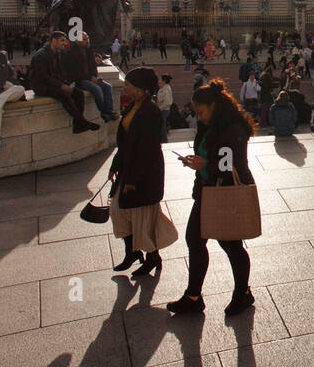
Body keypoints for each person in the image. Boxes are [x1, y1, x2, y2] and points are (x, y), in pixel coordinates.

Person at [167, 80, 257, 317]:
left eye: (201, 112)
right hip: (207, 190)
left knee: (231, 245)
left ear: (214, 106)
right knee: (194, 240)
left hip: (226, 193)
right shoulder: (211, 126)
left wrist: (205, 164)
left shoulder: (233, 129)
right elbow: (208, 156)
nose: (199, 117)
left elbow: (231, 165)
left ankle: (242, 293)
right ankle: (193, 296)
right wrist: (196, 162)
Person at [108, 68, 170, 280]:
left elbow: (146, 148)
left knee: (142, 218)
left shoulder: (150, 112)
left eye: (128, 85)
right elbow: (125, 141)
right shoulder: (132, 106)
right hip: (128, 167)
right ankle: (133, 252)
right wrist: (115, 165)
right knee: (118, 211)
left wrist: (133, 180)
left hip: (144, 172)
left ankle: (152, 257)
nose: (124, 87)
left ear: (142, 90)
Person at [28, 31, 99, 133]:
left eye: (65, 41)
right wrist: (61, 85)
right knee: (63, 94)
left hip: (53, 84)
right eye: (62, 41)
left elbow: (58, 73)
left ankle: (78, 125)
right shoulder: (41, 55)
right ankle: (83, 122)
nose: (65, 43)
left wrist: (65, 83)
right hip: (41, 86)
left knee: (79, 94)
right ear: (54, 41)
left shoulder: (57, 53)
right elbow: (43, 77)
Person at [66, 33, 118, 123]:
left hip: (90, 77)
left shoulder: (88, 49)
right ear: (78, 41)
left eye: (88, 38)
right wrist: (91, 78)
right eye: (85, 39)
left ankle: (109, 111)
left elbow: (93, 66)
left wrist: (95, 76)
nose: (87, 41)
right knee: (97, 89)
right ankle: (103, 112)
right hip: (79, 80)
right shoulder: (71, 52)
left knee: (107, 86)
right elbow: (76, 71)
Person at [155, 74, 173, 143]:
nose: (159, 81)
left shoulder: (166, 89)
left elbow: (168, 102)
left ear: (164, 81)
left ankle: (164, 141)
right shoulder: (163, 88)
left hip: (164, 110)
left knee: (162, 127)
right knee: (161, 126)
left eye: (160, 80)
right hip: (162, 110)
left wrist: (159, 108)